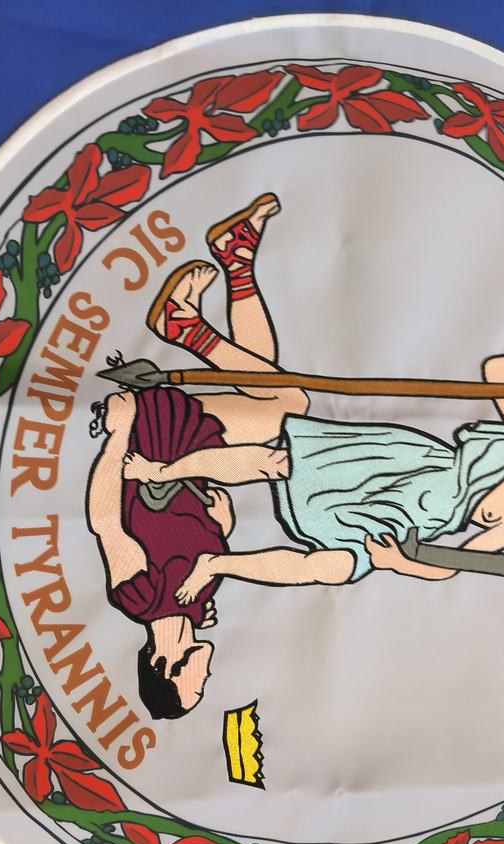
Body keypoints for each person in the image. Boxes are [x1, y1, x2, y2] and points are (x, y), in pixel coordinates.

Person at [122, 237, 504, 602]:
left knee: (334, 567)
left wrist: (398, 562)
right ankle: (161, 465)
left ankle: (216, 564)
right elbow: (499, 371)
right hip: (397, 464)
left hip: (398, 523)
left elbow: (454, 564)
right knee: (278, 457)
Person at [87, 194, 307, 718]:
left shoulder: (140, 600)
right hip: (195, 464)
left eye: (194, 686)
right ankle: (233, 265)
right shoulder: (198, 604)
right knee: (267, 386)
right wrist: (222, 525)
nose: (205, 678)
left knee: (286, 405)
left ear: (165, 666)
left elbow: (105, 522)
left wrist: (119, 432)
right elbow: (192, 539)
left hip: (155, 444)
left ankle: (185, 323)